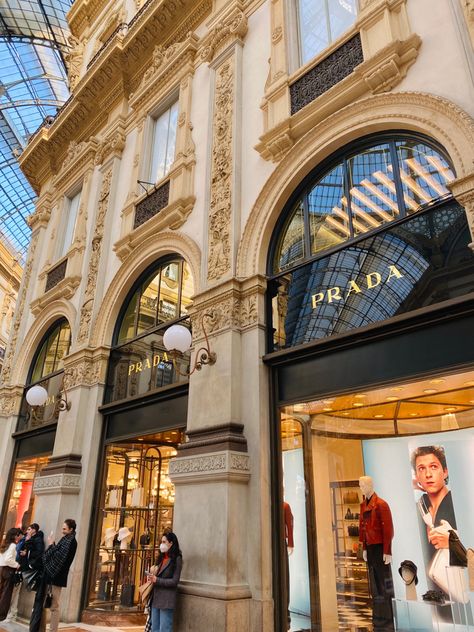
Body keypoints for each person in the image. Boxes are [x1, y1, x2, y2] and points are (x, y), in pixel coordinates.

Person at [359, 475, 394, 632]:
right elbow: (362, 527)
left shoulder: (381, 505)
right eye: (360, 486)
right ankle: (378, 616)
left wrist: (387, 550)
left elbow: (388, 530)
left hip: (380, 548)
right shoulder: (363, 505)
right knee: (374, 583)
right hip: (371, 548)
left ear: (369, 485)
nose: (361, 488)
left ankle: (387, 617)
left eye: (362, 485)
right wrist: (364, 547)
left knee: (383, 582)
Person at [30, 519, 77, 632]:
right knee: (43, 604)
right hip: (49, 575)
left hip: (57, 578)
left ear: (71, 529)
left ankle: (53, 630)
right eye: (62, 528)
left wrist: (51, 545)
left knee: (53, 607)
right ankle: (41, 629)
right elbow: (57, 554)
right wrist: (53, 546)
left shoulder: (71, 542)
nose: (62, 530)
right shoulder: (65, 539)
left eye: (64, 528)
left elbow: (59, 559)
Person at [411, 445, 456, 555]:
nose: (428, 474)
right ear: (416, 476)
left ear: (445, 472)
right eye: (421, 468)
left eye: (434, 467)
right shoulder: (420, 507)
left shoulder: (457, 502)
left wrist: (453, 542)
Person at [147, 532, 183, 632]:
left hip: (166, 600)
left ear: (171, 543)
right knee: (155, 628)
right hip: (155, 598)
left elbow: (174, 581)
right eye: (161, 542)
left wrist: (157, 580)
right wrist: (152, 576)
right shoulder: (161, 558)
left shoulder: (177, 559)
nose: (161, 544)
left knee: (164, 629)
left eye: (164, 542)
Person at [0, 528, 21, 620]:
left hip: (1, 568)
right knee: (6, 593)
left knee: (1, 591)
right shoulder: (12, 545)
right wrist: (17, 565)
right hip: (8, 569)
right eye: (17, 534)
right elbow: (8, 559)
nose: (18, 536)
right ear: (14, 535)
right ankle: (1, 615)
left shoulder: (5, 544)